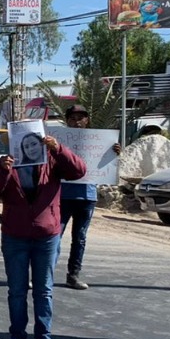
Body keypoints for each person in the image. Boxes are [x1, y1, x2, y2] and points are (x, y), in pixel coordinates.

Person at [0, 131, 87, 339]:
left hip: (46, 236)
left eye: (34, 144)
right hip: (15, 236)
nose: (30, 148)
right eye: (26, 145)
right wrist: (2, 170)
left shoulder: (52, 160)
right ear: (19, 146)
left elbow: (79, 171)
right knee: (17, 291)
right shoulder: (9, 163)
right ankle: (17, 338)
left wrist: (57, 148)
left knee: (44, 291)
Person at [56, 103, 123, 290]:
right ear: (67, 120)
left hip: (87, 196)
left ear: (87, 120)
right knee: (54, 236)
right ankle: (44, 274)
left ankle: (73, 275)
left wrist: (115, 153)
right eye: (73, 118)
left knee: (80, 238)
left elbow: (106, 167)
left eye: (81, 118)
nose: (77, 122)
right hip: (62, 195)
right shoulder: (59, 141)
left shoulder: (99, 141)